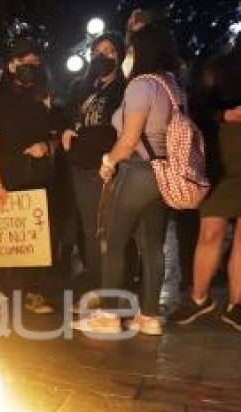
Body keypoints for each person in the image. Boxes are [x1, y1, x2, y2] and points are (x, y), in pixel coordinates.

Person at [75, 25, 180, 336]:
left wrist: (108, 161)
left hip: (136, 172)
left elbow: (129, 138)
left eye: (131, 49)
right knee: (152, 248)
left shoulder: (140, 86)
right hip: (162, 172)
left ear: (142, 51)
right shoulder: (171, 85)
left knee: (114, 243)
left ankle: (108, 315)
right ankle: (149, 317)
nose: (127, 55)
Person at [170, 47, 241, 331]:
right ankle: (198, 297)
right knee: (210, 231)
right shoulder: (218, 67)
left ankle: (237, 304)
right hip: (220, 159)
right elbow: (196, 109)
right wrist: (226, 116)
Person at [0, 38, 56, 314]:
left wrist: (46, 147)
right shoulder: (0, 96)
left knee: (37, 237)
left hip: (39, 176)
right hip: (8, 175)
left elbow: (55, 136)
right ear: (12, 64)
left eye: (34, 62)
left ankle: (33, 292)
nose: (28, 66)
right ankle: (2, 293)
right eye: (23, 61)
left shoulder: (43, 96)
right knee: (7, 236)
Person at [61, 32, 126, 308]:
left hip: (111, 167)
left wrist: (112, 159)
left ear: (120, 55)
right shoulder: (80, 86)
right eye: (98, 52)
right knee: (90, 229)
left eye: (109, 51)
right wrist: (65, 129)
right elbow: (68, 115)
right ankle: (96, 283)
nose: (103, 56)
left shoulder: (126, 88)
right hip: (81, 165)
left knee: (110, 230)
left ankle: (112, 287)